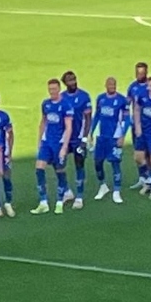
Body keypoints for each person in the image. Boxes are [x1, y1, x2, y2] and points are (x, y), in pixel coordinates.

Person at [32, 79, 74, 215]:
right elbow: (43, 121)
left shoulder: (66, 105)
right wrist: (39, 140)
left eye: (54, 89)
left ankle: (60, 201)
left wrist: (64, 147)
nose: (52, 92)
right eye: (50, 89)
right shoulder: (46, 104)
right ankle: (43, 202)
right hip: (47, 142)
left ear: (59, 88)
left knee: (60, 170)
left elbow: (68, 127)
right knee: (39, 168)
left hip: (59, 143)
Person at [89, 77, 130, 204]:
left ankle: (116, 191)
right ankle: (103, 186)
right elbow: (97, 116)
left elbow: (127, 120)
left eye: (114, 84)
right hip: (102, 137)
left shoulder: (122, 100)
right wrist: (90, 132)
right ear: (106, 85)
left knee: (115, 163)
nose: (112, 86)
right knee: (98, 162)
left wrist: (122, 136)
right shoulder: (101, 99)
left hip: (115, 137)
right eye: (110, 84)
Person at [61, 71, 93, 209]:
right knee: (59, 164)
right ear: (65, 83)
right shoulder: (61, 98)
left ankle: (79, 196)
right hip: (65, 138)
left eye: (74, 79)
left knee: (79, 164)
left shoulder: (84, 96)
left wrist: (85, 138)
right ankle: (67, 191)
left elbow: (88, 118)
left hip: (79, 138)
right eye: (69, 80)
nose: (73, 82)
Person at [127, 62, 151, 191]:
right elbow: (128, 103)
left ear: (146, 72)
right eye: (137, 73)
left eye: (142, 73)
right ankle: (143, 178)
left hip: (148, 126)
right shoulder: (132, 87)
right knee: (138, 153)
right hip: (135, 125)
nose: (139, 75)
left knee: (148, 153)